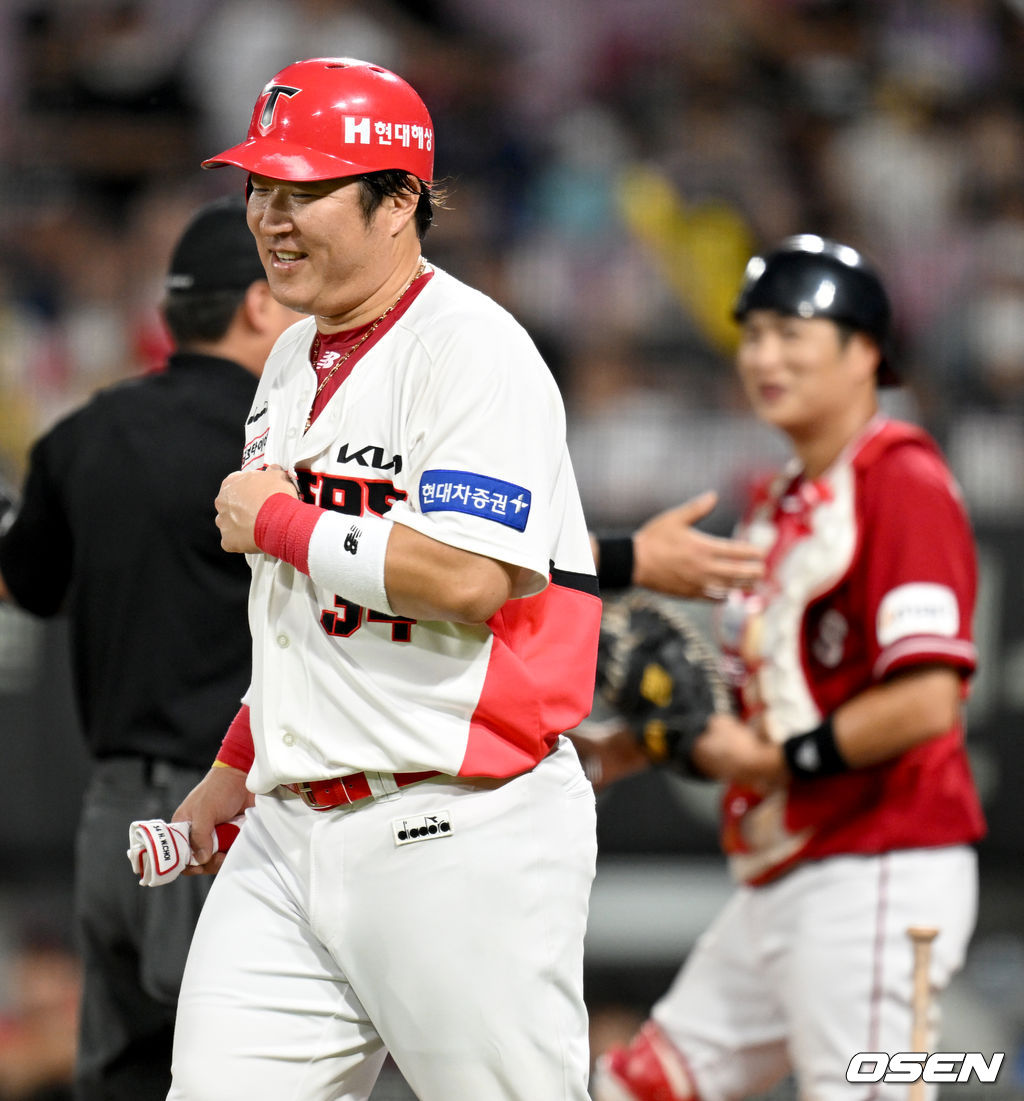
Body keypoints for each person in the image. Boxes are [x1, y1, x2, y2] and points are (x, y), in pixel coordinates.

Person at [166, 57, 602, 1101]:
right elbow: (305, 611)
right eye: (259, 189)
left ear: (400, 199)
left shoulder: (471, 350)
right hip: (286, 835)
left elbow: (464, 580)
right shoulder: (288, 357)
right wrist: (235, 767)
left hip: (456, 826)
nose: (271, 218)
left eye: (304, 190)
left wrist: (277, 516)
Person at [586, 235, 987, 1101]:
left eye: (791, 333)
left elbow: (926, 701)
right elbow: (758, 695)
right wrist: (635, 747)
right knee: (634, 1087)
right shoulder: (779, 500)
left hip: (880, 865)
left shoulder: (899, 480)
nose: (763, 356)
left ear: (864, 351)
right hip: (786, 875)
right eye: (752, 334)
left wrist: (776, 762)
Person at [0, 196, 300, 1101]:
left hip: (109, 824)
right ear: (256, 305)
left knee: (121, 1077)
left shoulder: (83, 434)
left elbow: (22, 579)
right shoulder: (287, 440)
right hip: (223, 819)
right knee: (246, 1075)